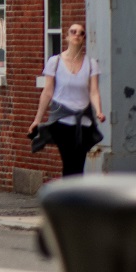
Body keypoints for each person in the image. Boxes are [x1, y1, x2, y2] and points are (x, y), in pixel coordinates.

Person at [28, 21, 104, 179]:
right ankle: (71, 199)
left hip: (83, 123)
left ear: (84, 39)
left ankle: (73, 199)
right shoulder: (55, 62)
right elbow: (47, 92)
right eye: (73, 32)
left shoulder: (91, 64)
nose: (77, 35)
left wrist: (99, 111)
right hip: (62, 123)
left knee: (79, 163)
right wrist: (37, 119)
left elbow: (94, 91)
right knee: (69, 162)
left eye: (81, 33)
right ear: (67, 37)